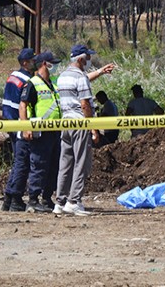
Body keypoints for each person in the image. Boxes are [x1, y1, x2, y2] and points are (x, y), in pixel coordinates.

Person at [54, 44, 114, 216]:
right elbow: (85, 104)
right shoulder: (80, 77)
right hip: (80, 124)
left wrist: (100, 72)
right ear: (81, 59)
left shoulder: (63, 76)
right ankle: (74, 201)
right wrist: (93, 128)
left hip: (65, 123)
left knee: (65, 164)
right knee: (81, 163)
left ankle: (60, 201)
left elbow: (83, 79)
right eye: (88, 58)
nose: (90, 61)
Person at [20, 51, 62, 213]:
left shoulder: (54, 83)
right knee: (39, 165)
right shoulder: (32, 83)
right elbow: (23, 105)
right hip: (40, 132)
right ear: (44, 63)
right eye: (53, 63)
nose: (55, 66)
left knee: (53, 165)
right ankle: (33, 199)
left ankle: (46, 198)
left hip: (55, 131)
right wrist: (25, 127)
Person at [1, 48, 36, 212]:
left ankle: (9, 197)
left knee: (18, 161)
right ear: (25, 62)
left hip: (11, 122)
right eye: (32, 60)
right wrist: (25, 125)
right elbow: (23, 105)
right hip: (20, 124)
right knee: (23, 161)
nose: (35, 63)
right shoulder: (27, 80)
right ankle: (15, 198)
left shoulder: (13, 77)